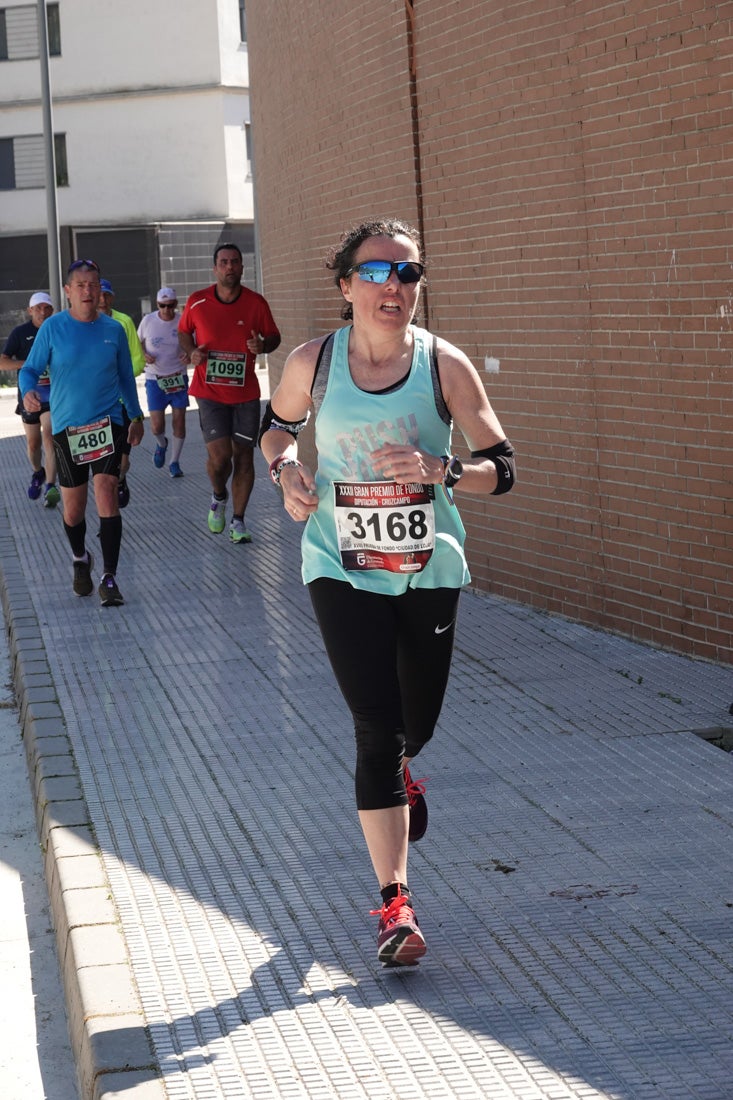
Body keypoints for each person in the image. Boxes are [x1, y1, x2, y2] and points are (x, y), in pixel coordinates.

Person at [259, 218, 516, 967]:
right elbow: (272, 433)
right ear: (345, 287)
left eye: (406, 274)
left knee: (415, 725)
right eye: (375, 274)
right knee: (374, 727)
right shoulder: (314, 363)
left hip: (427, 567)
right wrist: (286, 475)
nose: (393, 287)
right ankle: (394, 906)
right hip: (339, 564)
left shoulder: (445, 367)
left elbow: (502, 467)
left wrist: (443, 471)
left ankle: (407, 766)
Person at [19, 260, 145, 607]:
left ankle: (109, 576)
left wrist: (136, 416)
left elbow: (124, 377)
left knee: (106, 491)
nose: (89, 291)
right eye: (81, 285)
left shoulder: (113, 329)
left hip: (107, 423)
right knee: (73, 510)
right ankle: (80, 559)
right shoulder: (53, 327)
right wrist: (28, 391)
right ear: (68, 291)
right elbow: (29, 369)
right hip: (68, 429)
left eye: (94, 285)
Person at [178, 242, 281, 543]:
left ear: (242, 267)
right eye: (223, 262)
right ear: (215, 268)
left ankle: (238, 521)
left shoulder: (256, 303)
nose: (229, 267)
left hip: (246, 394)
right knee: (221, 459)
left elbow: (274, 336)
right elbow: (184, 332)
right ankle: (219, 495)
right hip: (209, 392)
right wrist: (192, 352)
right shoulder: (197, 302)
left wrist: (262, 347)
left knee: (245, 458)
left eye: (234, 262)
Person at [0, 292, 60, 507]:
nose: (42, 312)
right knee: (33, 444)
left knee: (49, 433)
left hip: (52, 395)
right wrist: (28, 365)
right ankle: (38, 472)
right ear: (30, 311)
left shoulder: (57, 329)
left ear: (52, 310)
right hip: (29, 395)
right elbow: (3, 362)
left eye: (47, 308)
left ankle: (51, 486)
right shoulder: (20, 333)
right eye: (38, 308)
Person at [98, 278, 146, 507]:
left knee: (123, 462)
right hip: (97, 405)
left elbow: (138, 361)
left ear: (112, 297)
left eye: (107, 295)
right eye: (99, 294)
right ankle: (106, 514)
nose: (102, 299)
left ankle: (122, 480)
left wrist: (117, 376)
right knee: (103, 462)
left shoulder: (124, 322)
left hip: (122, 401)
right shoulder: (83, 323)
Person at [137, 287, 189, 477]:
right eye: (162, 306)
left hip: (178, 376)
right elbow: (137, 342)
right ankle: (162, 444)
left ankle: (174, 462)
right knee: (156, 426)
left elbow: (193, 344)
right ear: (157, 305)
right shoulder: (148, 321)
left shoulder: (182, 321)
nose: (166, 310)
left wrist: (188, 355)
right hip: (154, 379)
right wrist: (144, 355)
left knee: (179, 421)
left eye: (170, 306)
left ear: (175, 304)